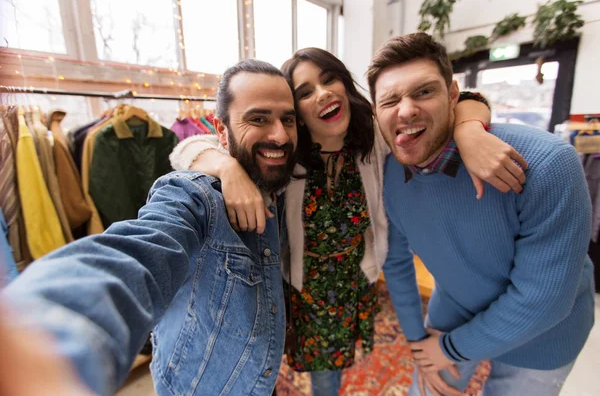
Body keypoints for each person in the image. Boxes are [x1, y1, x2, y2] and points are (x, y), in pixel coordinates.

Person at [170, 47, 528, 395]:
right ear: (296, 113)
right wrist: (227, 167)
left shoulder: (377, 136)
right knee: (300, 369)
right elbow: (186, 148)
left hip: (355, 285)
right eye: (306, 92)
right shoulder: (283, 154)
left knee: (336, 372)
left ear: (344, 85)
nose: (323, 93)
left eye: (330, 80)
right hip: (303, 292)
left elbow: (465, 97)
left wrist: (469, 129)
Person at [1, 59, 298, 396]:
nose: (280, 134)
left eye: (287, 119)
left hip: (260, 376)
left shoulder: (283, 181)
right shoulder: (195, 196)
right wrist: (41, 338)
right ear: (221, 129)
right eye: (258, 119)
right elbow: (138, 254)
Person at [367, 32, 595, 396]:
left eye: (424, 91)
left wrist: (447, 349)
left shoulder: (548, 164)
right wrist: (417, 342)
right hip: (455, 307)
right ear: (376, 113)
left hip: (545, 339)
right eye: (390, 100)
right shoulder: (390, 174)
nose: (406, 109)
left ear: (454, 95)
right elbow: (395, 262)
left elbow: (544, 301)